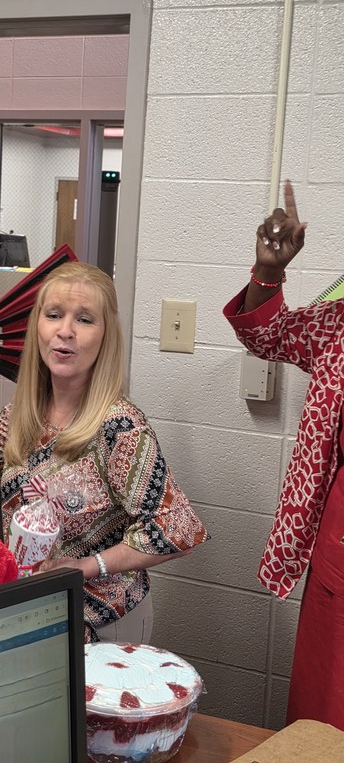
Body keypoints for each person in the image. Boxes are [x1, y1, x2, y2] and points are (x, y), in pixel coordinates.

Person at [0, 261, 209, 643]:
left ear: (105, 337)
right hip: (33, 609)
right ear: (38, 327)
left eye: (84, 320)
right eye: (53, 315)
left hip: (102, 622)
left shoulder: (119, 427)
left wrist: (86, 565)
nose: (64, 331)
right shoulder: (25, 412)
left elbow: (176, 529)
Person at [223, 180, 344, 730]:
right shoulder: (340, 322)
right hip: (341, 541)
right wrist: (268, 270)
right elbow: (269, 335)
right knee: (327, 708)